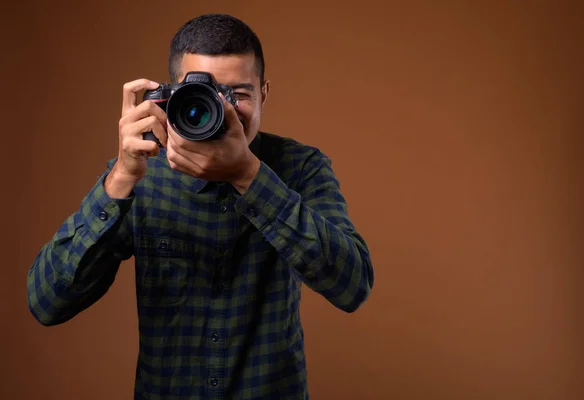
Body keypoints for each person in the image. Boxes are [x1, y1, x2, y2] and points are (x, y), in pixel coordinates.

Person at [27, 13, 374, 400]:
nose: (223, 110)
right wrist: (122, 176)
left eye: (238, 95)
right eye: (207, 95)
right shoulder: (143, 170)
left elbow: (353, 286)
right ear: (173, 95)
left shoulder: (300, 165)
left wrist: (248, 175)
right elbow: (47, 302)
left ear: (264, 93)